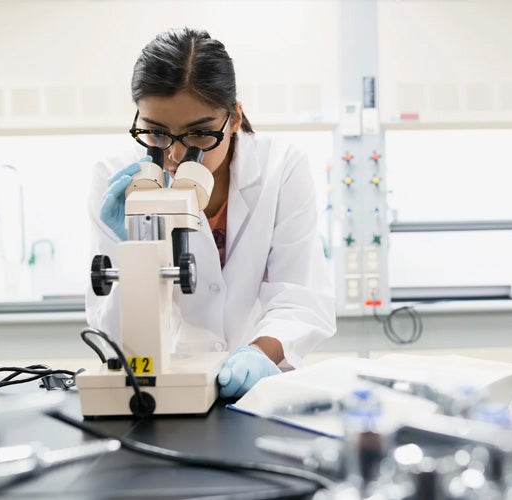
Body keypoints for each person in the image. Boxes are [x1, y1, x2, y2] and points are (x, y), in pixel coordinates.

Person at [86, 27, 336, 398]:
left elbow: (299, 294)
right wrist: (134, 255)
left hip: (260, 385)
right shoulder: (118, 180)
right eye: (155, 133)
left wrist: (256, 353)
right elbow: (112, 330)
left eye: (199, 134)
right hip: (161, 383)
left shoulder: (280, 167)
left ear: (234, 118)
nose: (173, 155)